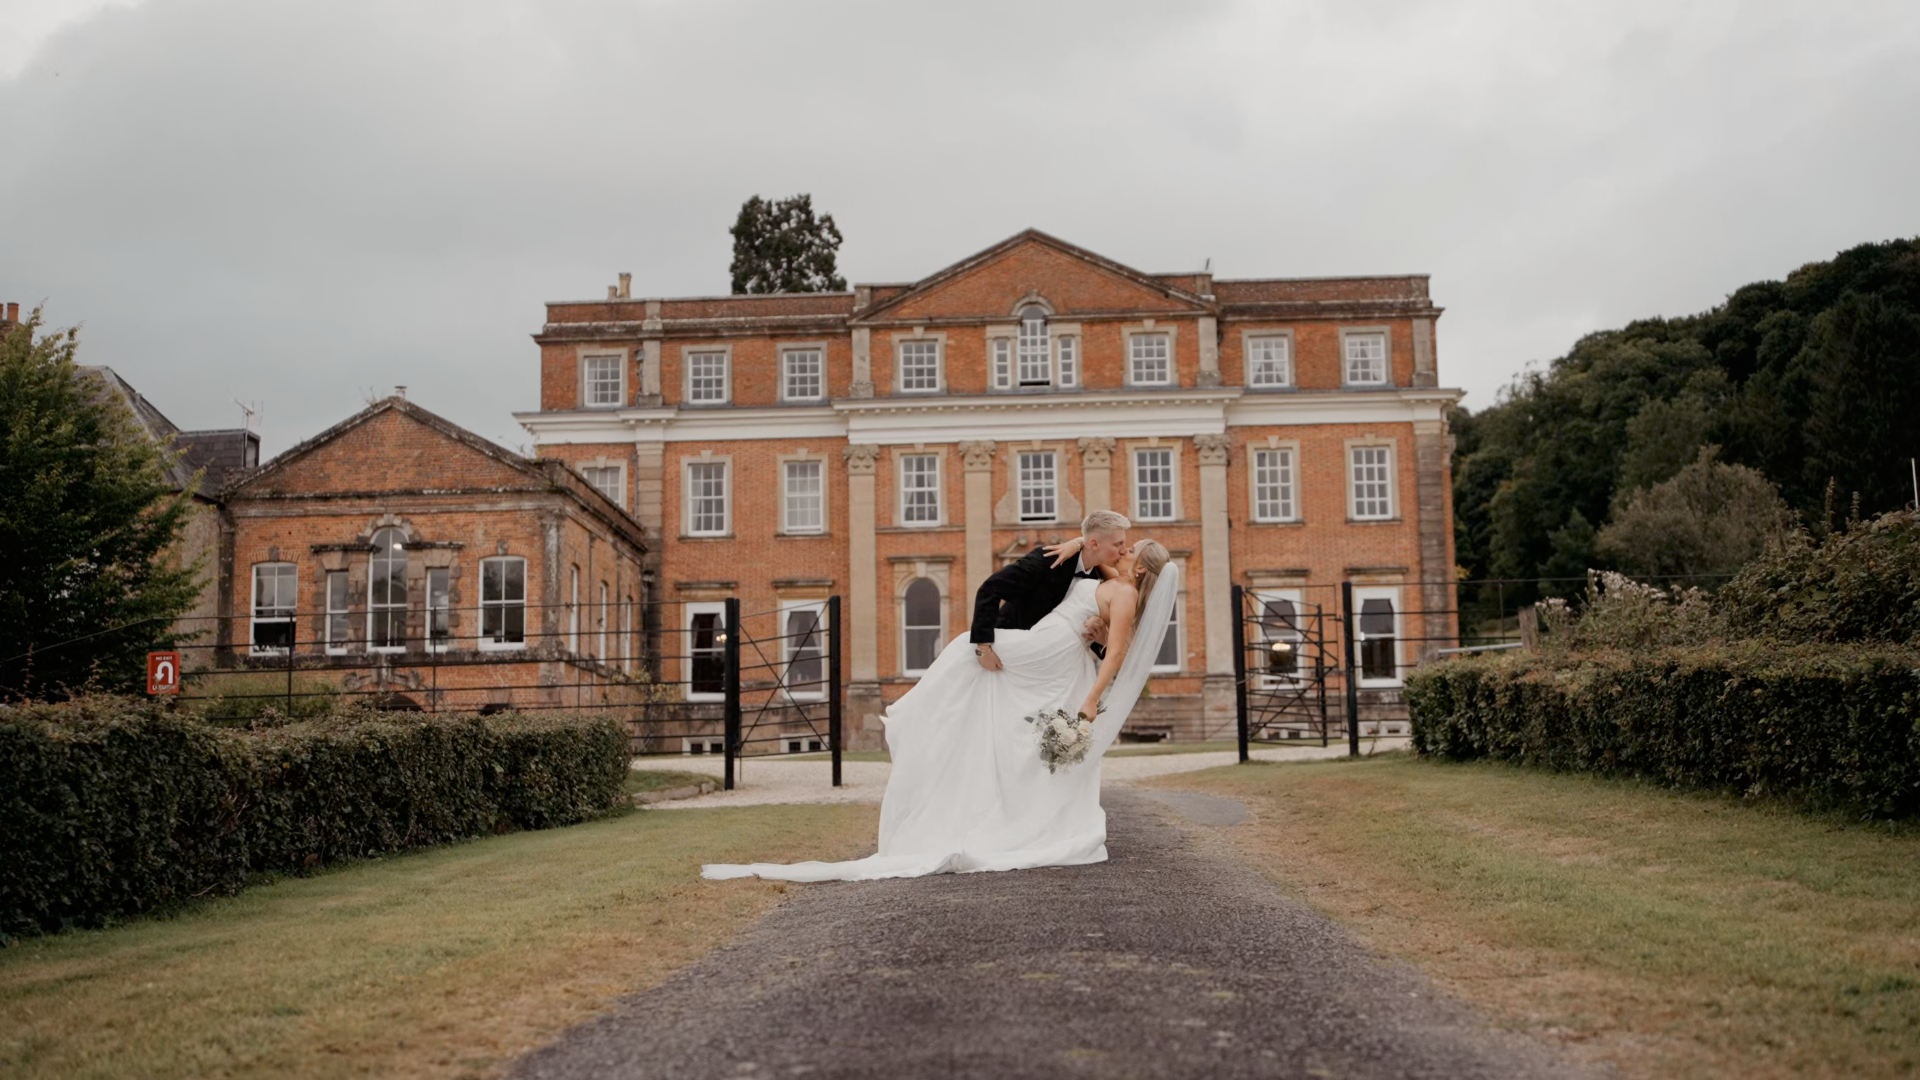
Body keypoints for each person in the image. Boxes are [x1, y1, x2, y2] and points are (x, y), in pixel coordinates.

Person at [702, 520, 1176, 883]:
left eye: (1129, 549)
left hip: (1047, 651)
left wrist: (1091, 702)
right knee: (986, 690)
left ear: (1136, 566)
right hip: (1046, 645)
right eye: (1121, 543)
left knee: (962, 653)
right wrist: (1078, 544)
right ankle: (933, 730)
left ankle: (918, 718)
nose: (1123, 549)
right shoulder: (1115, 576)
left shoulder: (1124, 591)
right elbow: (1096, 560)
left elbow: (1113, 654)